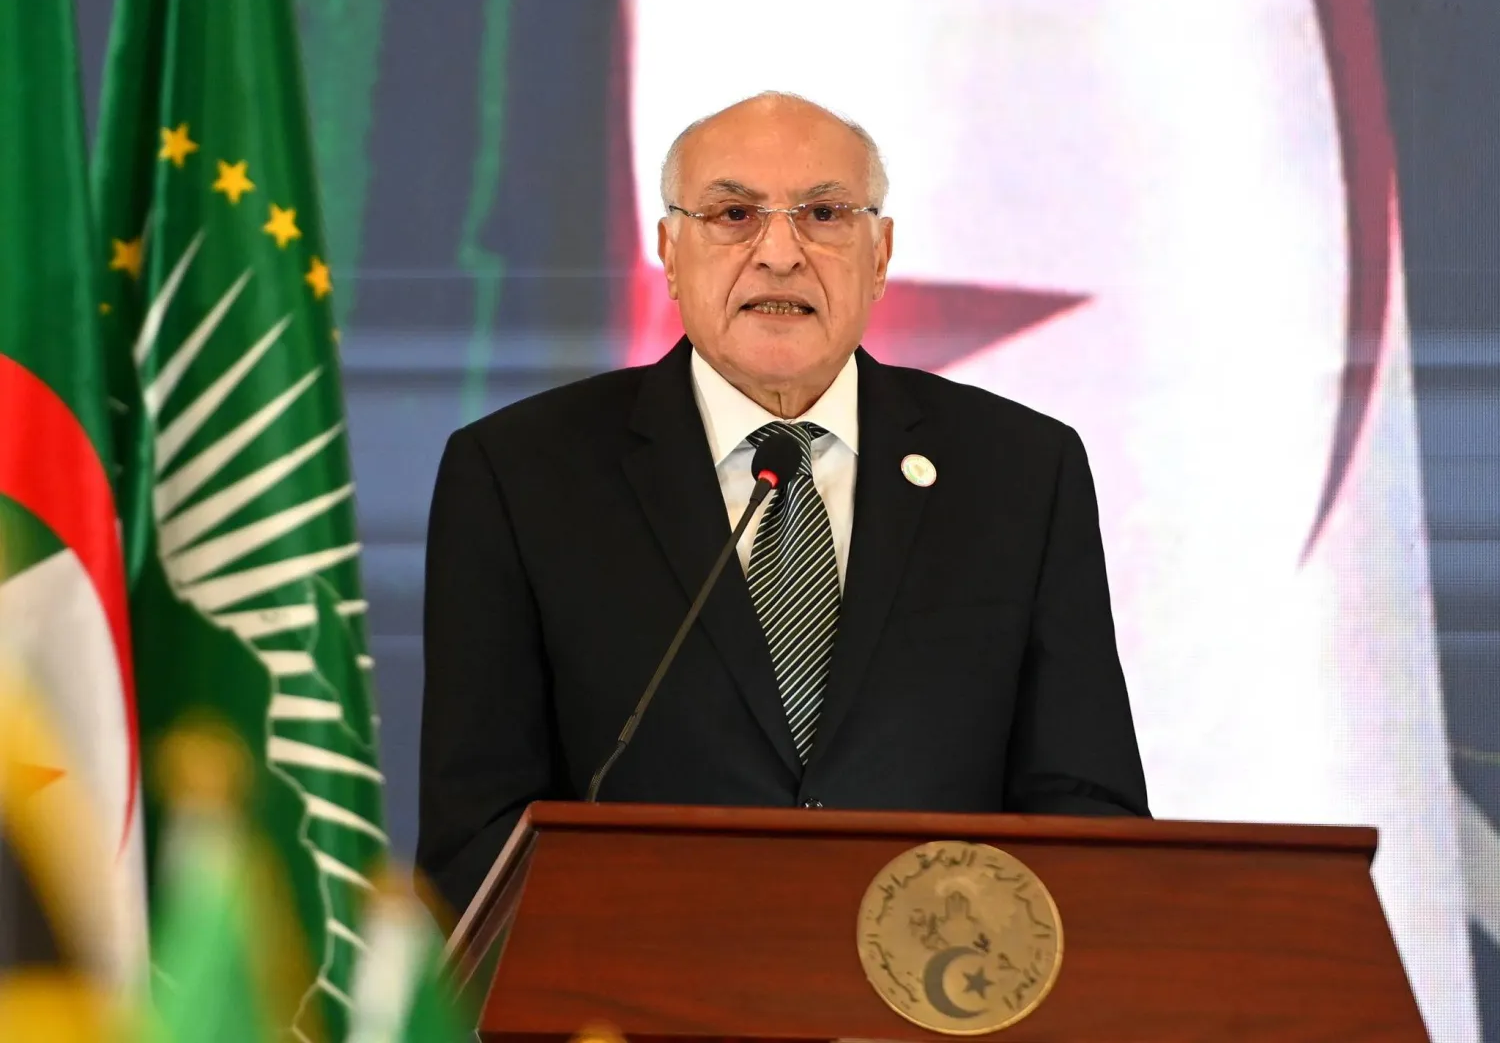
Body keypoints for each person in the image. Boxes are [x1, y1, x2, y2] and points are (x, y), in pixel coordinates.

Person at [417, 92, 1149, 918]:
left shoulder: (1021, 470)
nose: (778, 254)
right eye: (733, 215)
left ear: (880, 255)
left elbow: (1086, 808)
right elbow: (478, 836)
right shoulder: (520, 474)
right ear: (670, 252)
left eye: (824, 214)